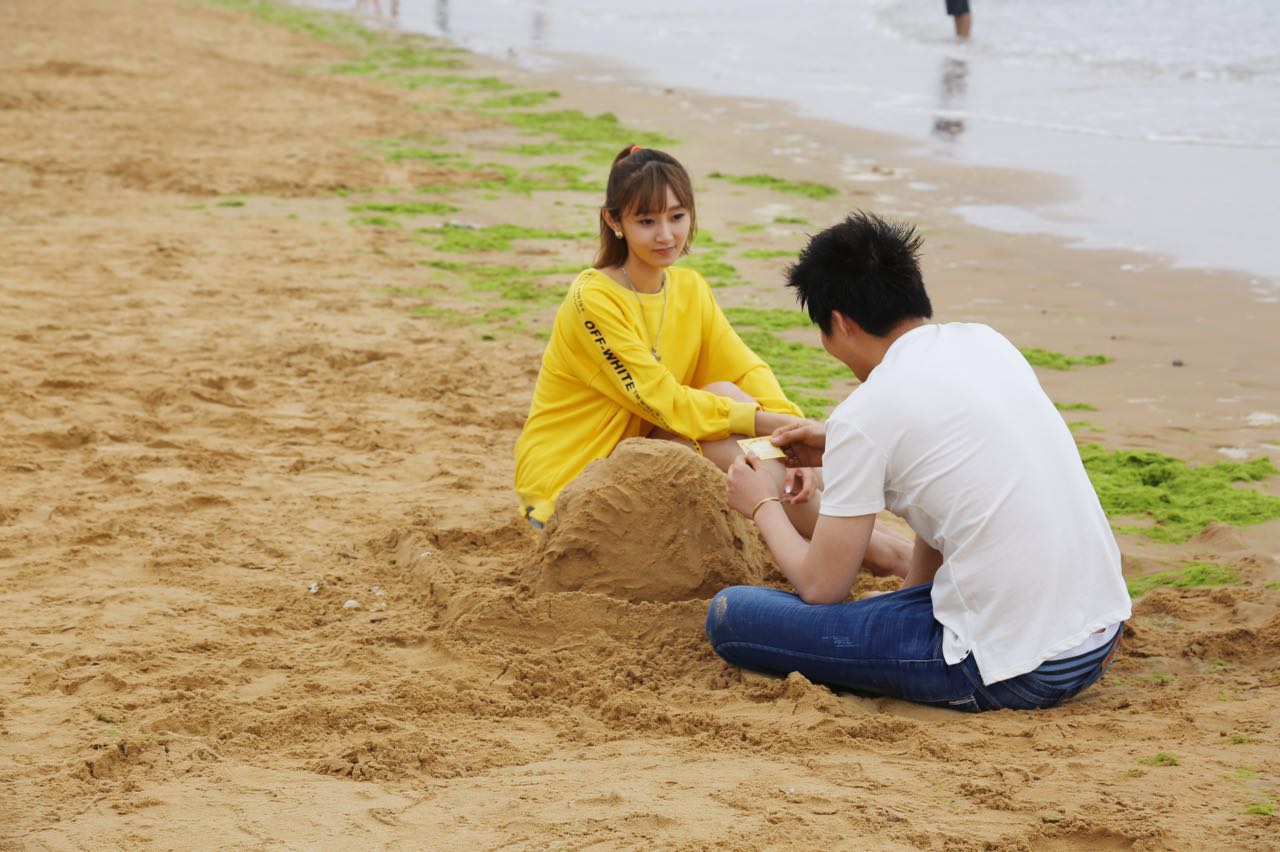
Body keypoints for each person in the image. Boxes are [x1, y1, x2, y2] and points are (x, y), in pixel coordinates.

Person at [709, 212, 1131, 711]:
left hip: (1013, 671)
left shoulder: (866, 415)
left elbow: (822, 587)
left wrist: (762, 506)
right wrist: (837, 444)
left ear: (840, 323)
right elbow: (949, 475)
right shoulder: (986, 343)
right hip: (1098, 635)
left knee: (733, 614)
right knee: (895, 603)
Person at [514, 145, 807, 528]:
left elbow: (745, 370)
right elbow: (663, 400)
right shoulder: (593, 298)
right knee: (719, 425)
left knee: (723, 395)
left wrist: (795, 430)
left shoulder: (689, 288)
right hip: (569, 477)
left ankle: (859, 548)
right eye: (647, 221)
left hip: (643, 450)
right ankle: (866, 550)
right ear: (614, 221)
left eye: (677, 216)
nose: (666, 235)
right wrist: (775, 429)